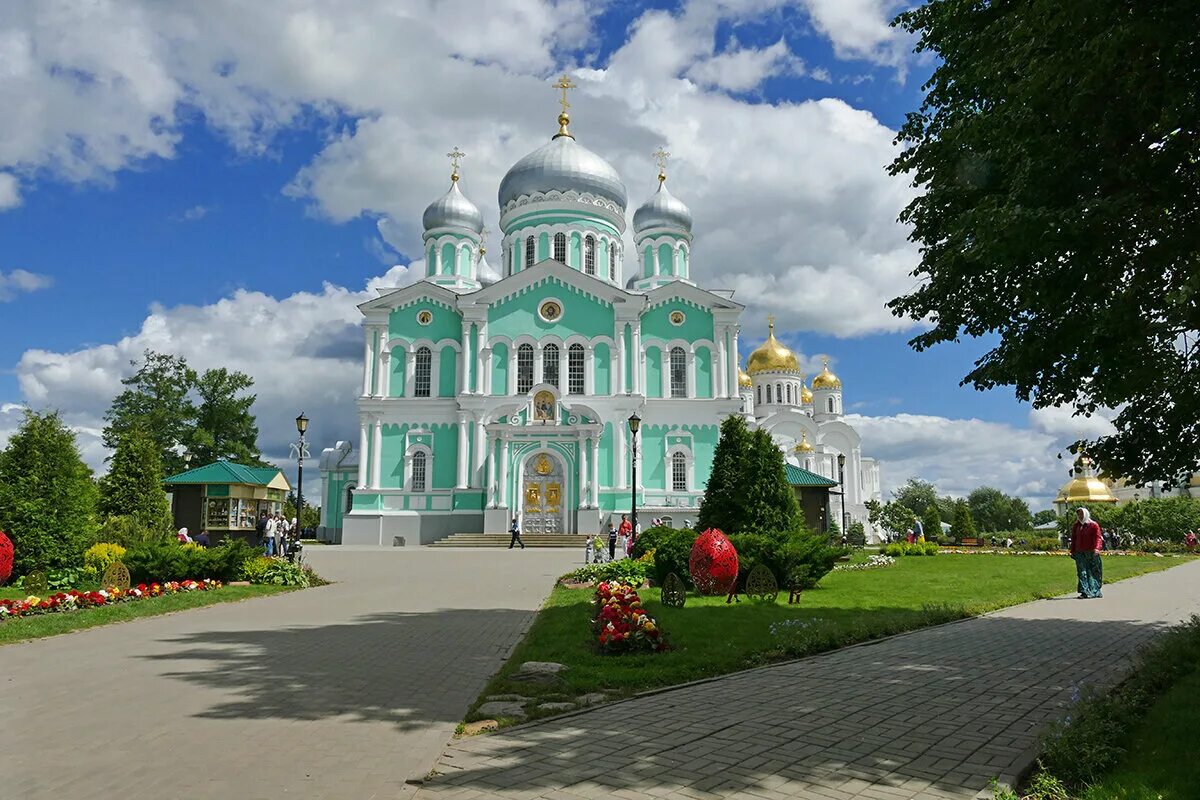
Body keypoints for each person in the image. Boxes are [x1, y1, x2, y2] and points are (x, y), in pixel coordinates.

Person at [1070, 507, 1104, 599]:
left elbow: (1098, 537)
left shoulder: (1093, 525)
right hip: (1079, 552)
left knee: (1094, 572)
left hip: (1092, 552)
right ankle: (1084, 592)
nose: (1080, 516)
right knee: (1082, 572)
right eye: (1078, 514)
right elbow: (1074, 539)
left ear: (1086, 514)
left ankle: (1095, 590)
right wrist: (1072, 550)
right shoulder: (1076, 526)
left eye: (1081, 514)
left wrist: (1097, 548)